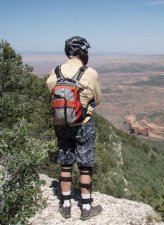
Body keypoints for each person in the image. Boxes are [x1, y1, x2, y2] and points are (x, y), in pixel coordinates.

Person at [46, 36, 102, 220]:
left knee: (66, 164)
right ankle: (86, 208)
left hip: (62, 124)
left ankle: (66, 205)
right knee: (85, 167)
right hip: (83, 124)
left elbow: (51, 92)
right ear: (83, 52)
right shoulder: (90, 73)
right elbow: (98, 99)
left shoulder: (55, 72)